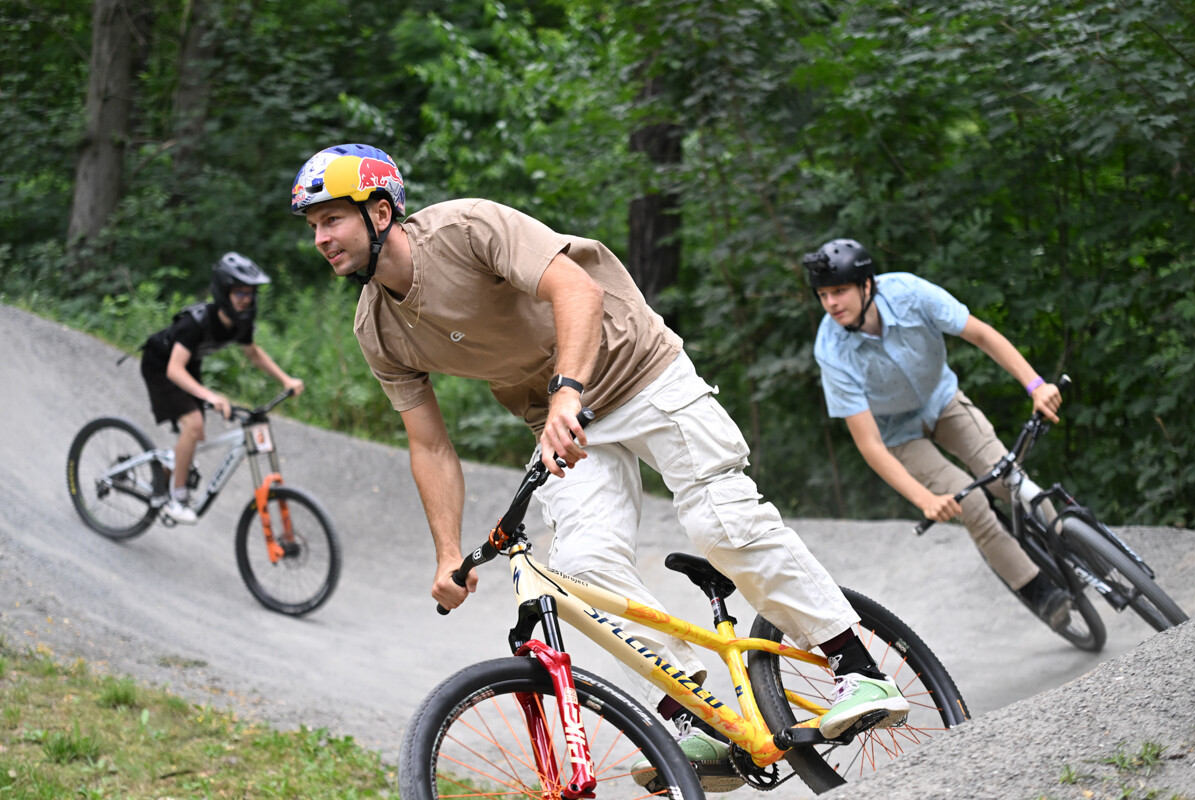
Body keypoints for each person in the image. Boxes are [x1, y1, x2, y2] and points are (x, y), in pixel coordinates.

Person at [290, 144, 910, 788]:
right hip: (561, 420)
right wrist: (448, 553)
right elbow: (430, 444)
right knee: (582, 569)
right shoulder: (377, 328)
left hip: (639, 369)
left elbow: (575, 288)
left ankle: (857, 665)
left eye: (331, 219)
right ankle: (702, 715)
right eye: (313, 227)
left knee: (721, 523)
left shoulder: (467, 229)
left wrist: (568, 389)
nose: (321, 238)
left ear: (381, 212)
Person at [804, 238, 1071, 628]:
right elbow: (870, 444)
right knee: (973, 505)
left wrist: (1036, 386)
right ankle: (1039, 592)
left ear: (866, 285)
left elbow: (981, 335)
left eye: (839, 290)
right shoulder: (831, 349)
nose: (831, 303)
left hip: (943, 401)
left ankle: (1069, 544)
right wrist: (926, 499)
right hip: (898, 434)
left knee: (1008, 477)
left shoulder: (910, 294)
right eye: (823, 294)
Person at [139, 253, 305, 524]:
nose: (246, 298)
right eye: (239, 291)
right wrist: (210, 396)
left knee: (196, 432)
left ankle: (170, 469)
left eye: (250, 292)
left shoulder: (240, 321)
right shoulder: (194, 323)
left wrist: (285, 379)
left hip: (187, 366)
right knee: (193, 425)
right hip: (161, 365)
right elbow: (174, 370)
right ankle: (176, 498)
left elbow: (253, 353)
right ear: (223, 291)